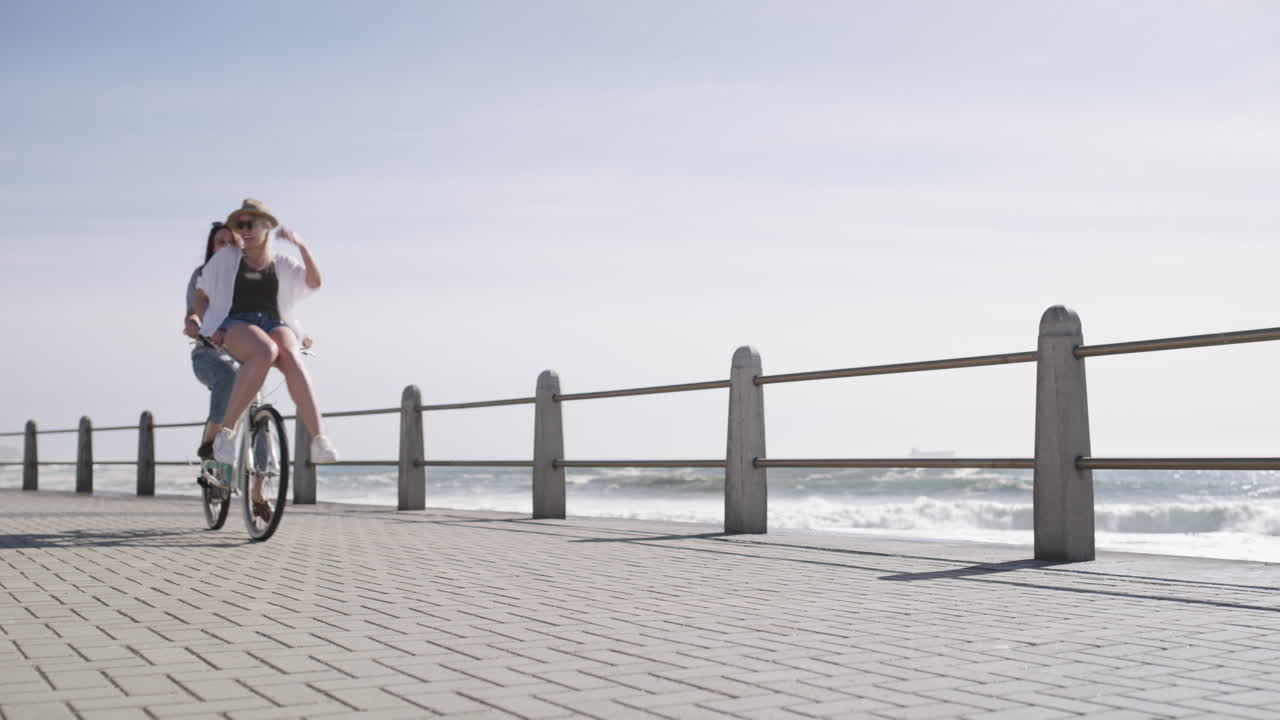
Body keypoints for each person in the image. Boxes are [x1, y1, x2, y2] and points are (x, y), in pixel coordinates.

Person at [197, 199, 339, 482]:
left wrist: (301, 245)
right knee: (265, 351)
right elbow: (201, 295)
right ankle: (227, 434)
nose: (244, 231)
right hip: (236, 322)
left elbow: (314, 282)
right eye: (240, 225)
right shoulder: (227, 259)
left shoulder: (281, 263)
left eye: (250, 225)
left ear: (266, 227)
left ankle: (319, 439)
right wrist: (205, 325)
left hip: (274, 321)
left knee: (290, 355)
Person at [183, 223, 241, 460]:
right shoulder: (201, 275)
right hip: (208, 353)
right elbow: (193, 311)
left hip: (243, 352)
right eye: (221, 242)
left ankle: (260, 478)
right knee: (228, 376)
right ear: (212, 248)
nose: (226, 247)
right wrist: (193, 324)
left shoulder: (248, 276)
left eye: (232, 242)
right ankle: (210, 443)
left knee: (256, 405)